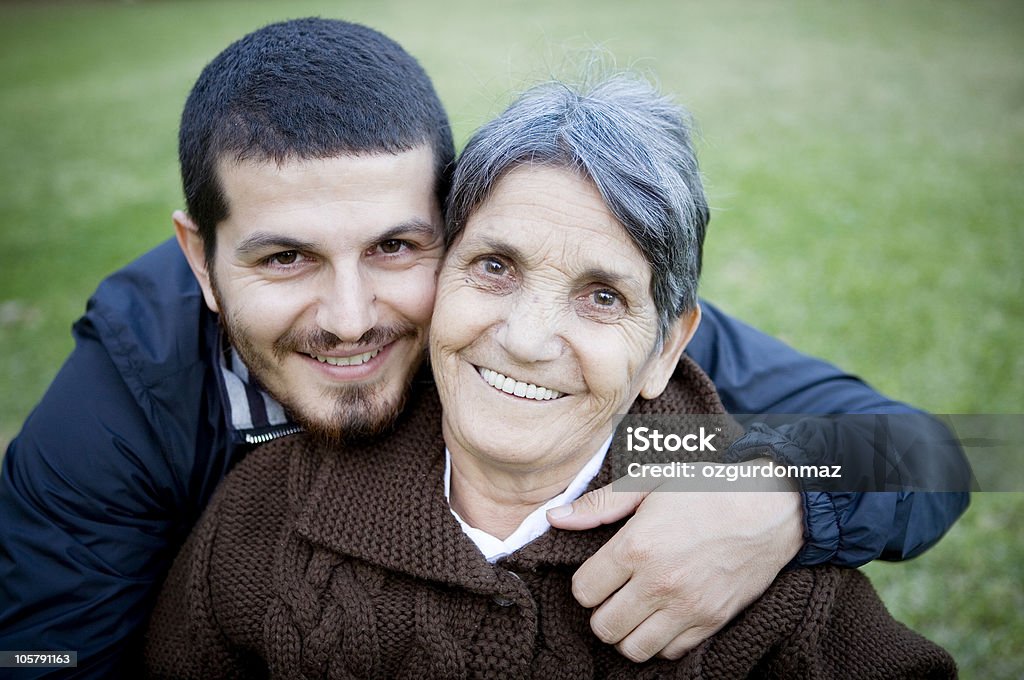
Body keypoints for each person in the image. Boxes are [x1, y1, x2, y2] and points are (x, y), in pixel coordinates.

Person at [0, 18, 968, 678]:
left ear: (452, 220)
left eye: (396, 247)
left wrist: (779, 492)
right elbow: (45, 658)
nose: (348, 317)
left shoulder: (548, 323)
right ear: (199, 259)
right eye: (285, 256)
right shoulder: (125, 398)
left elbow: (936, 449)